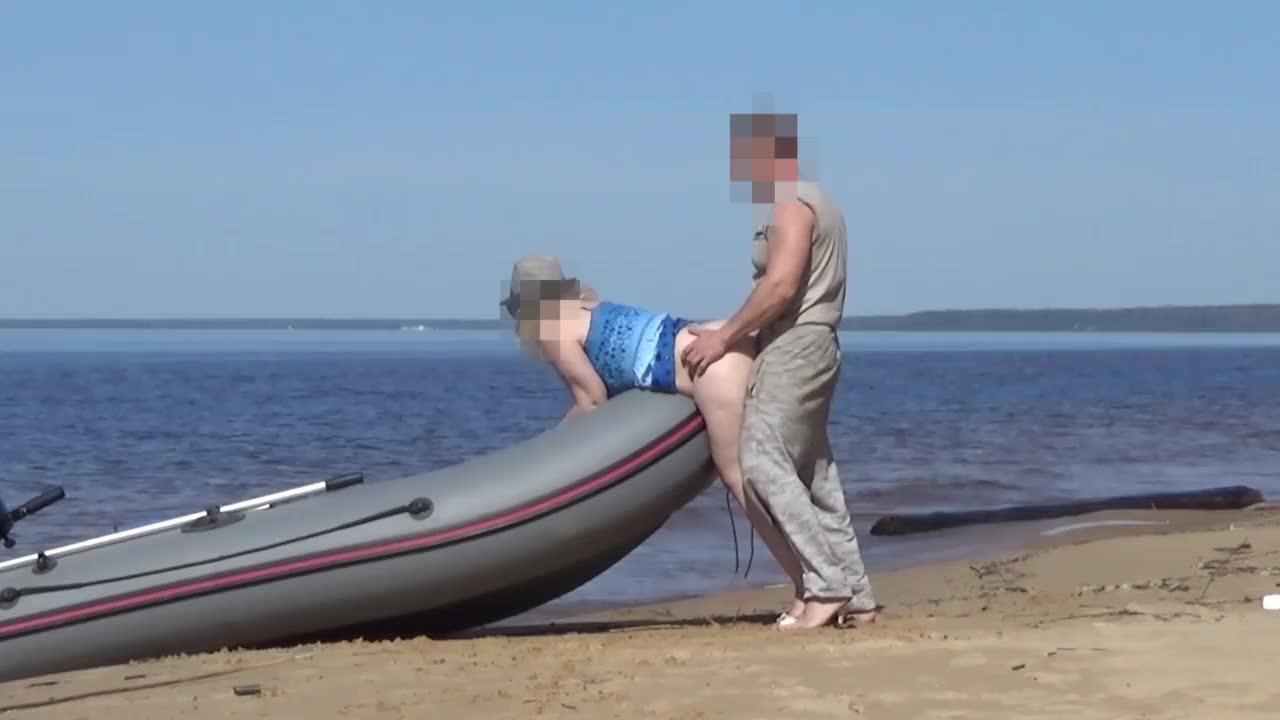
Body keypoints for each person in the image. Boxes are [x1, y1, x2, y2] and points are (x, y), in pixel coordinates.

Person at [499, 255, 811, 613]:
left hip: (709, 368)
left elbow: (592, 399)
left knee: (741, 479)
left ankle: (807, 588)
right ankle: (827, 576)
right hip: (714, 338)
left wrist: (552, 446)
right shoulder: (589, 308)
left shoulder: (552, 328)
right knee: (783, 469)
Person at [681, 110, 877, 631]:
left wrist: (724, 337)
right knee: (816, 476)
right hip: (817, 344)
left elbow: (782, 286)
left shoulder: (791, 205)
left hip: (795, 348)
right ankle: (858, 596)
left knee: (763, 463)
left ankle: (825, 587)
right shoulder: (821, 200)